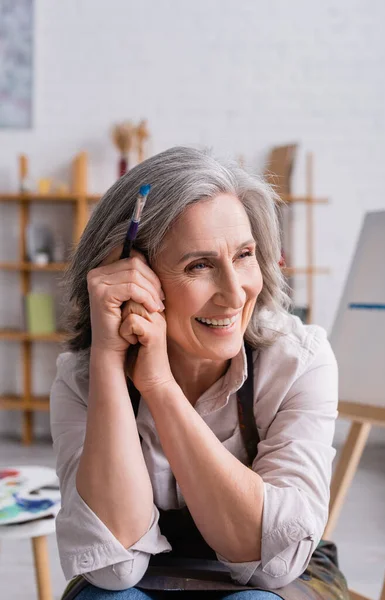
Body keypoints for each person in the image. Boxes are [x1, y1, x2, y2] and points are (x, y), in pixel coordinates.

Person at [50, 146, 349, 600]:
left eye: (245, 255)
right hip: (145, 573)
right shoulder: (81, 378)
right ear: (132, 276)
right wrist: (111, 357)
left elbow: (273, 566)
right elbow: (114, 566)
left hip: (273, 579)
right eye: (200, 265)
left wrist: (160, 387)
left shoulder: (299, 361)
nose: (234, 294)